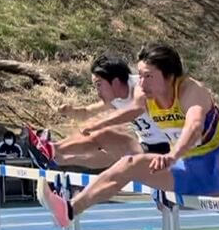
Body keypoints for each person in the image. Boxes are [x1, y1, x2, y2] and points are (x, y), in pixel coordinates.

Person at [38, 42, 219, 228]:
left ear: (169, 75)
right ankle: (69, 210)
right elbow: (131, 110)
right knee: (128, 164)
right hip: (186, 170)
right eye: (140, 75)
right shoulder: (145, 95)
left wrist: (173, 154)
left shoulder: (190, 91)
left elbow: (194, 125)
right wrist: (96, 124)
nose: (141, 84)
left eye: (148, 76)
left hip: (218, 161)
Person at [27, 54, 170, 170]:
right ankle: (55, 159)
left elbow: (136, 109)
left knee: (102, 132)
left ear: (114, 81)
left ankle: (51, 149)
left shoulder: (140, 85)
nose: (97, 91)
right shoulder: (114, 98)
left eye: (98, 85)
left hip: (166, 147)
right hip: (145, 146)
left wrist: (98, 125)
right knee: (105, 152)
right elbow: (87, 112)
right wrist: (71, 111)